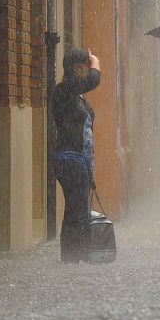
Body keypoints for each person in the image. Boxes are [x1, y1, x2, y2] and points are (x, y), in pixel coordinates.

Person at [51, 48, 101, 263]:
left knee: (76, 210)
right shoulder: (64, 90)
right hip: (69, 158)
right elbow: (93, 81)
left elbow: (86, 135)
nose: (88, 72)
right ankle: (73, 260)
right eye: (86, 68)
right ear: (78, 69)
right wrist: (96, 63)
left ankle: (73, 260)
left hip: (80, 161)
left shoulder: (76, 95)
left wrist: (90, 171)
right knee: (77, 212)